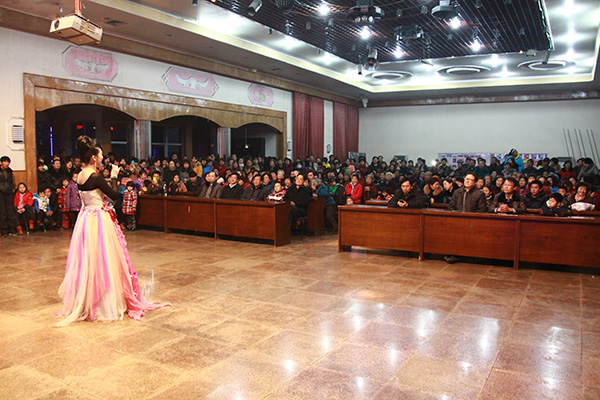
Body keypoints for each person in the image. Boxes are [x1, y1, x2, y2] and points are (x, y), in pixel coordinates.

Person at [56, 135, 168, 327]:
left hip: (85, 218)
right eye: (100, 155)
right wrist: (115, 176)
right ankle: (103, 303)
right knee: (104, 259)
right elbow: (115, 195)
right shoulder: (95, 177)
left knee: (89, 259)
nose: (102, 158)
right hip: (98, 219)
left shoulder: (80, 175)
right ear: (93, 157)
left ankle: (86, 299)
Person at [0, 156, 17, 237]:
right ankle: (4, 231)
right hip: (1, 193)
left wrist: (13, 187)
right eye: (5, 162)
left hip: (9, 192)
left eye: (8, 162)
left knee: (10, 212)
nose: (7, 164)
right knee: (2, 212)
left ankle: (12, 229)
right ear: (1, 162)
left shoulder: (9, 171)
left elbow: (12, 181)